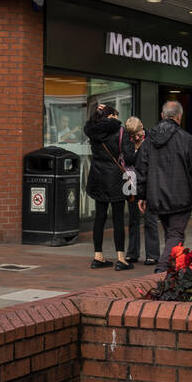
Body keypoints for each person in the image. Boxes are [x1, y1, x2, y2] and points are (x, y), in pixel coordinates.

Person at [136, 100, 192, 273]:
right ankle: (163, 268)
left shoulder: (148, 142)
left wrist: (141, 195)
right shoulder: (186, 139)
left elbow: (141, 169)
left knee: (172, 233)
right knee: (175, 234)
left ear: (162, 116)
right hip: (181, 195)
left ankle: (173, 268)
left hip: (157, 196)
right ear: (179, 116)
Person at [83, 103, 129, 270]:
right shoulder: (119, 130)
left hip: (97, 177)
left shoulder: (93, 131)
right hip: (115, 178)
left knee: (99, 218)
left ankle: (98, 256)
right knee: (118, 218)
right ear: (111, 116)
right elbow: (129, 156)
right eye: (115, 114)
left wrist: (96, 112)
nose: (117, 117)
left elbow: (90, 124)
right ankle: (121, 258)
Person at [122, 117, 160, 266]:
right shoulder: (127, 140)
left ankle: (152, 254)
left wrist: (138, 151)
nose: (137, 138)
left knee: (150, 219)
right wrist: (137, 151)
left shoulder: (151, 139)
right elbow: (129, 159)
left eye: (138, 134)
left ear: (142, 127)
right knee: (133, 219)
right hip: (130, 182)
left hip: (148, 182)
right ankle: (132, 253)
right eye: (133, 136)